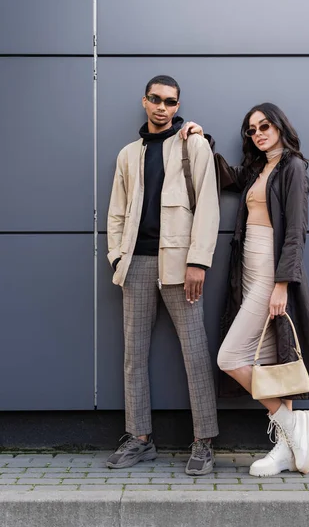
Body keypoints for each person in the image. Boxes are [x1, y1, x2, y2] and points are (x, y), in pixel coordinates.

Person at [181, 103, 309, 477]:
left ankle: (294, 422)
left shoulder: (293, 168)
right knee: (270, 361)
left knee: (230, 357)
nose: (258, 133)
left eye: (264, 126)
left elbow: (296, 232)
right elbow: (224, 176)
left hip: (270, 270)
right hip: (247, 270)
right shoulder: (256, 169)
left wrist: (282, 283)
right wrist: (202, 140)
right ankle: (286, 447)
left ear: (280, 125)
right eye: (251, 130)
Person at [107, 75, 220, 475]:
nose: (162, 107)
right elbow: (117, 211)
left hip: (180, 264)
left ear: (177, 106)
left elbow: (208, 205)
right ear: (144, 101)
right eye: (155, 99)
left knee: (194, 352)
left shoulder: (194, 145)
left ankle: (204, 441)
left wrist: (198, 262)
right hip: (135, 263)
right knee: (133, 355)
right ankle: (139, 437)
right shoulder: (128, 154)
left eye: (170, 102)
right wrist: (116, 257)